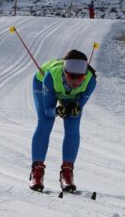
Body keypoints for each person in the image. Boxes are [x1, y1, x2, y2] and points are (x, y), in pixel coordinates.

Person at [29, 50, 97, 193]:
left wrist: (74, 108)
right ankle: (37, 172)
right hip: (44, 83)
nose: (77, 81)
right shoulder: (51, 76)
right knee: (45, 122)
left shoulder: (90, 81)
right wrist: (58, 111)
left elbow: (78, 107)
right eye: (72, 76)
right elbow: (48, 110)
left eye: (81, 77)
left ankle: (67, 173)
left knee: (73, 123)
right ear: (65, 72)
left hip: (71, 96)